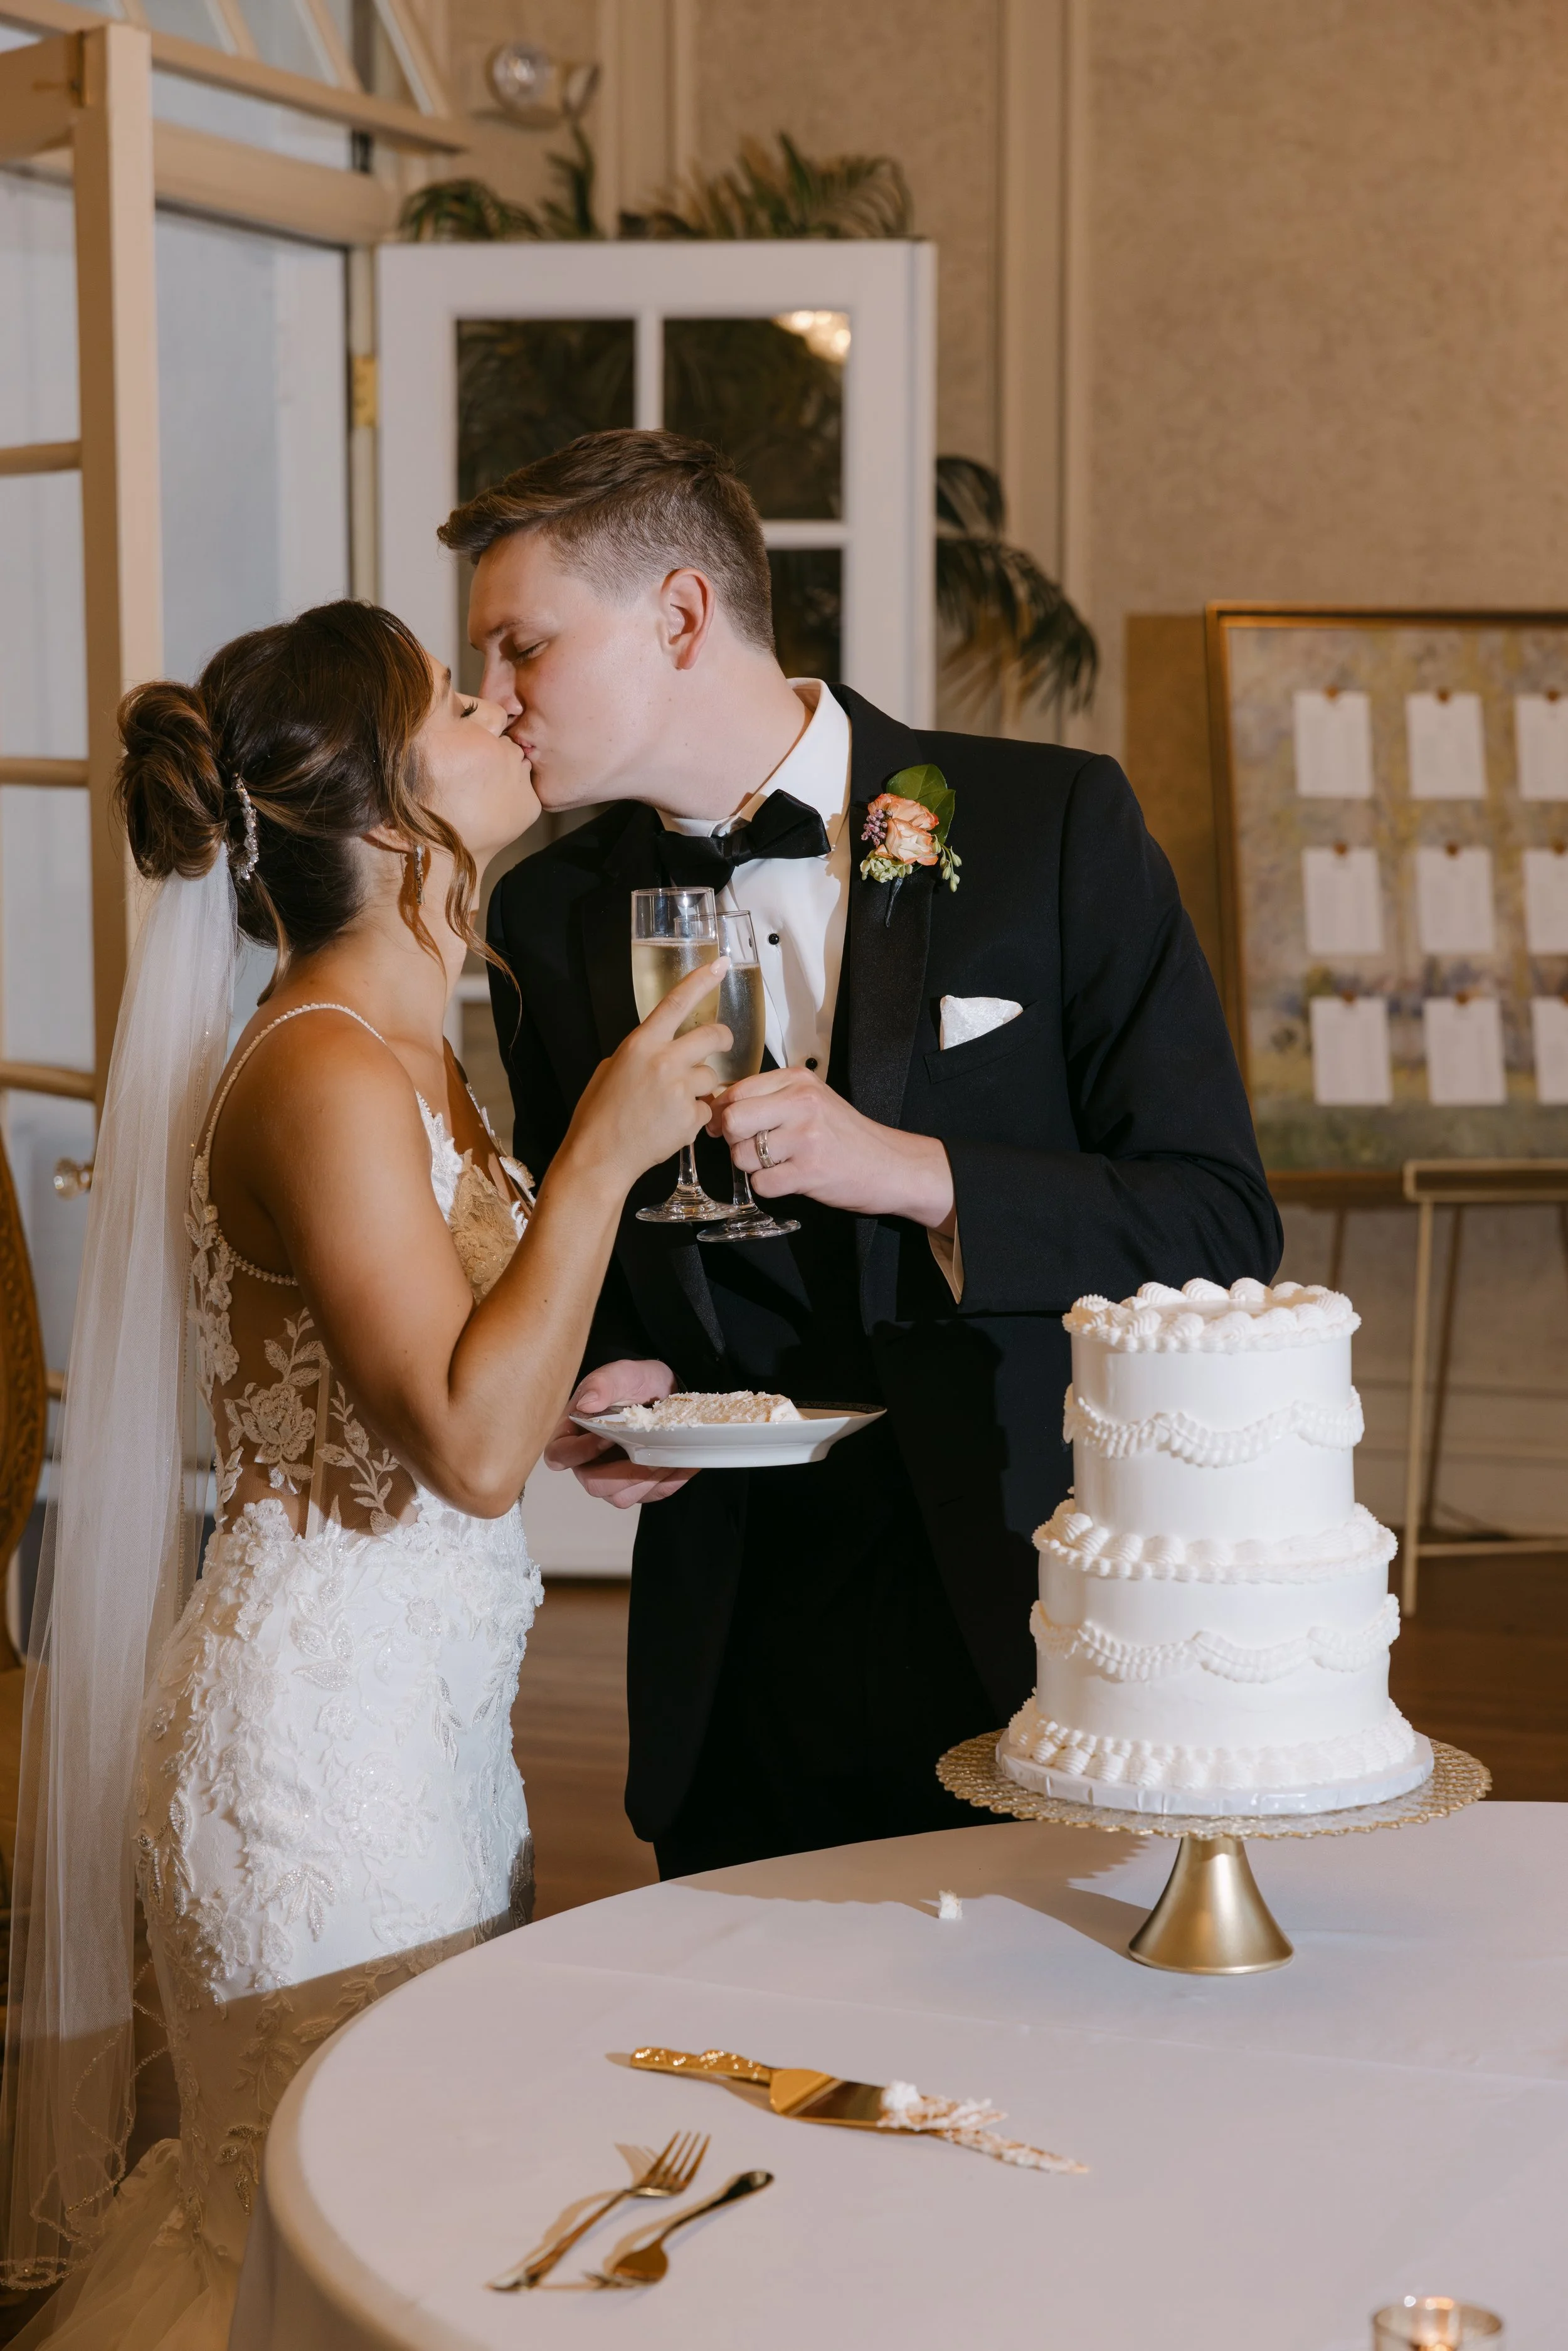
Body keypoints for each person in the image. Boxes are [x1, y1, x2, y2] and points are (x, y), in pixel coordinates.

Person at [0, 600, 727, 2345]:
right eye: (460, 700)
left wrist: (565, 1404)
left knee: (417, 2218)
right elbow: (465, 1451)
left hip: (426, 1731)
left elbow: (439, 1404)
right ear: (393, 815)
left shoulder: (408, 1050)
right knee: (318, 2244)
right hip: (312, 1768)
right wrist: (607, 1159)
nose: (504, 710)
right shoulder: (322, 1065)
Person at [468, 428, 1283, 1880]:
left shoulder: (1049, 825)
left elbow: (1216, 1220)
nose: (492, 701)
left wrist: (913, 1168)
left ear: (676, 614)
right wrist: (617, 1373)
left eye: (520, 648)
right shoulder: (548, 917)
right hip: (733, 1632)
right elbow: (580, 1230)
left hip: (1023, 1597)